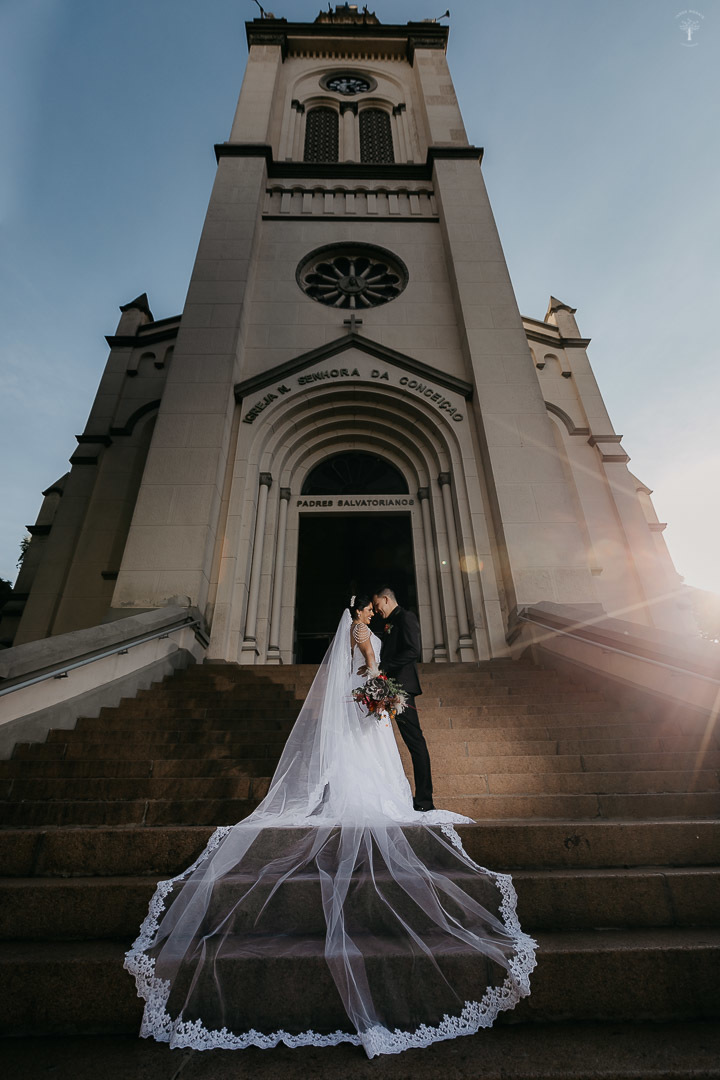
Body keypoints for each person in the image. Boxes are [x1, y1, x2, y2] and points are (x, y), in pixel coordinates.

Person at [124, 594, 536, 1058]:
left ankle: (377, 794)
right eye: (367, 608)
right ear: (359, 610)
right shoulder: (361, 632)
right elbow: (368, 666)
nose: (372, 612)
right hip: (368, 694)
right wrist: (378, 681)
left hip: (363, 699)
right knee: (375, 760)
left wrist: (376, 683)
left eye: (374, 607)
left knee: (367, 755)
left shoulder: (364, 630)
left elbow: (367, 666)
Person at [372, 587, 434, 811]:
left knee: (415, 742)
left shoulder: (406, 617)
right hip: (390, 689)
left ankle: (425, 800)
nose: (376, 611)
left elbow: (412, 650)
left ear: (386, 599)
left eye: (377, 606)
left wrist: (384, 667)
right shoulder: (390, 622)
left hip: (402, 690)